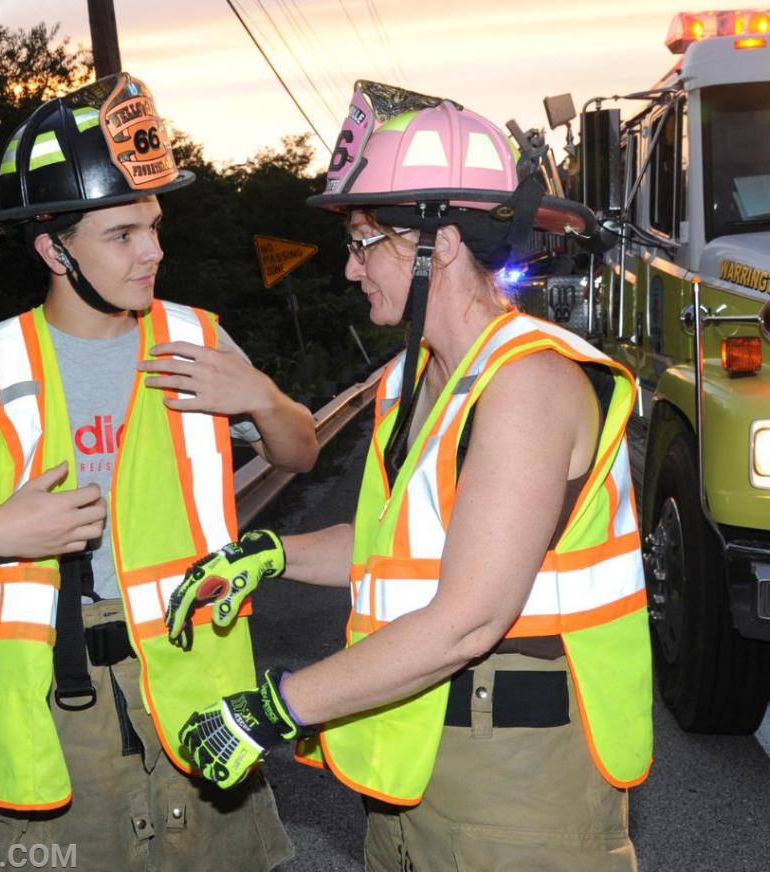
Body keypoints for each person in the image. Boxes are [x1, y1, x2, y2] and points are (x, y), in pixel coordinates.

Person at [164, 81, 653, 870]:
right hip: (417, 761)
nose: (351, 271)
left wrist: (272, 709)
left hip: (517, 788)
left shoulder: (527, 385)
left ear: (443, 244)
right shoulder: (412, 377)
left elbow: (468, 617)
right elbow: (404, 542)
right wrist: (272, 554)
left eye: (365, 242)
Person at [0, 72, 316, 871]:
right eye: (124, 234)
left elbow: (300, 451)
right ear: (53, 249)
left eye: (156, 227)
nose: (155, 251)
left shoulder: (196, 335)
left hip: (197, 692)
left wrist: (263, 398)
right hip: (57, 716)